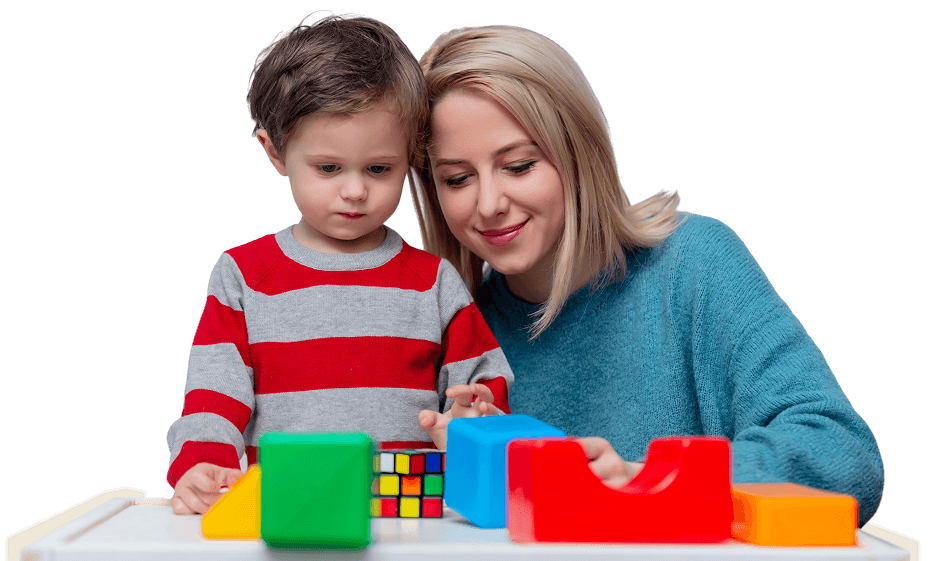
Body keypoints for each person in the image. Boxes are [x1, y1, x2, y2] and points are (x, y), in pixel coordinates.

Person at [412, 24, 884, 525]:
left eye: (520, 166)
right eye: (457, 179)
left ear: (579, 154)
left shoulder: (694, 264)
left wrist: (648, 482)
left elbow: (840, 454)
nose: (489, 204)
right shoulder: (457, 329)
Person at [166, 13, 513, 515]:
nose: (355, 191)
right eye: (328, 168)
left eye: (379, 168)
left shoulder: (433, 281)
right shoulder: (244, 275)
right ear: (276, 152)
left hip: (406, 519)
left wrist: (472, 415)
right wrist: (202, 463)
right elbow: (213, 393)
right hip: (283, 514)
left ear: (410, 156)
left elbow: (483, 386)